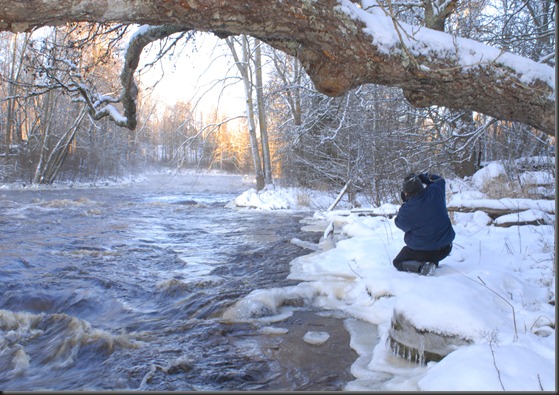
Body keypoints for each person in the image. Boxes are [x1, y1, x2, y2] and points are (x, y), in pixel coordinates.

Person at [393, 172, 455, 276]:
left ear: (406, 193)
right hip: (446, 247)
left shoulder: (407, 210)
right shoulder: (436, 191)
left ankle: (422, 267)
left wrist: (405, 204)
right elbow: (439, 180)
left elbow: (399, 223)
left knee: (397, 262)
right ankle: (432, 262)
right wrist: (423, 177)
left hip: (424, 251)